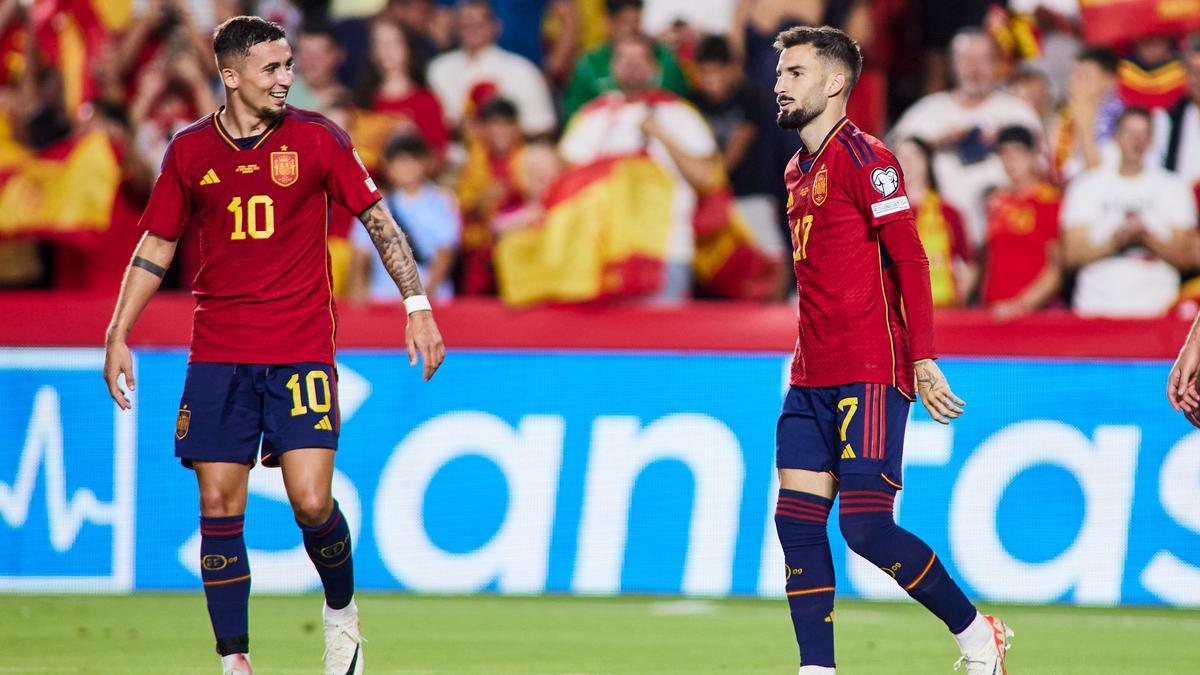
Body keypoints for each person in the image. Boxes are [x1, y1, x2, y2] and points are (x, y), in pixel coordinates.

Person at [100, 17, 445, 675]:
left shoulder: (318, 139)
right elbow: (157, 245)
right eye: (271, 68)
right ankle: (235, 658)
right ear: (230, 75)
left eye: (289, 66)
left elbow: (378, 219)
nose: (287, 78)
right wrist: (119, 331)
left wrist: (417, 304)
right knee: (217, 504)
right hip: (220, 351)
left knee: (312, 500)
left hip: (299, 347)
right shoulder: (189, 151)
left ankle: (341, 612)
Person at [770, 25, 1010, 674]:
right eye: (780, 73)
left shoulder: (868, 157)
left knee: (866, 527)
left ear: (835, 82)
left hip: (871, 371)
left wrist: (923, 356)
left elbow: (909, 256)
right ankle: (816, 668)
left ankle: (976, 632)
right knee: (795, 522)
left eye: (795, 73)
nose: (780, 84)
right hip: (809, 374)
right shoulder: (796, 168)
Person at [558, 32, 721, 302]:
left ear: (655, 68)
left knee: (663, 341)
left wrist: (662, 134)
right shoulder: (589, 118)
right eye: (624, 59)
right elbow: (564, 185)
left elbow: (707, 179)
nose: (632, 66)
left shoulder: (682, 115)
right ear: (612, 67)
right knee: (606, 344)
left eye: (640, 59)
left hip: (666, 252)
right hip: (601, 258)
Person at [890, 28, 1042, 245]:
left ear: (997, 65)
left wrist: (1005, 143)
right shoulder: (924, 113)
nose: (975, 68)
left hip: (1007, 238)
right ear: (952, 65)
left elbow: (1043, 174)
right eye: (966, 60)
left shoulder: (1018, 113)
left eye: (983, 59)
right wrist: (931, 144)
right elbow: (885, 170)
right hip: (937, 243)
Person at [1062, 107, 1198, 318]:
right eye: (1130, 133)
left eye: (1144, 134)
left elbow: (1186, 256)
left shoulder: (1174, 187)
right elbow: (1071, 254)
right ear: (1116, 136)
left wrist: (1145, 238)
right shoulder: (1087, 185)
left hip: (1158, 312)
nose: (1137, 141)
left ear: (1152, 139)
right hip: (1096, 308)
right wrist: (1116, 241)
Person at [351, 134, 460, 300]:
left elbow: (445, 253)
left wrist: (422, 301)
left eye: (413, 160)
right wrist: (357, 296)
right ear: (387, 166)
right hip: (383, 299)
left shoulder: (442, 201)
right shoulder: (375, 204)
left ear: (426, 163)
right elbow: (360, 255)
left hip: (432, 299)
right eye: (400, 161)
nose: (407, 167)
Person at [426, 0, 556, 138]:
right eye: (466, 25)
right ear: (456, 27)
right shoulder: (438, 69)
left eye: (479, 24)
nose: (472, 30)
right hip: (455, 152)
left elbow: (543, 127)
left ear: (496, 26)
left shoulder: (521, 69)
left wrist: (501, 131)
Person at [980, 125, 1062, 318]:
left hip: (1034, 313)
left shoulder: (1049, 201)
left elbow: (1056, 267)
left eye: (1018, 153)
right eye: (1004, 154)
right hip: (993, 312)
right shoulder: (997, 201)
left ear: (1033, 156)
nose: (1011, 161)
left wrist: (1021, 305)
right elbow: (986, 260)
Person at [562, 0, 688, 121]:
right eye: (625, 23)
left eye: (636, 22)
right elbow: (575, 115)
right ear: (608, 22)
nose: (632, 29)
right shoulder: (590, 64)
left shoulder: (664, 59)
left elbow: (683, 107)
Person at [894, 136, 976, 308]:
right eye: (900, 156)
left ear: (927, 161)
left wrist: (959, 298)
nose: (907, 162)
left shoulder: (949, 213)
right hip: (899, 313)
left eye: (914, 155)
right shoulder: (885, 213)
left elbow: (971, 263)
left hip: (943, 308)